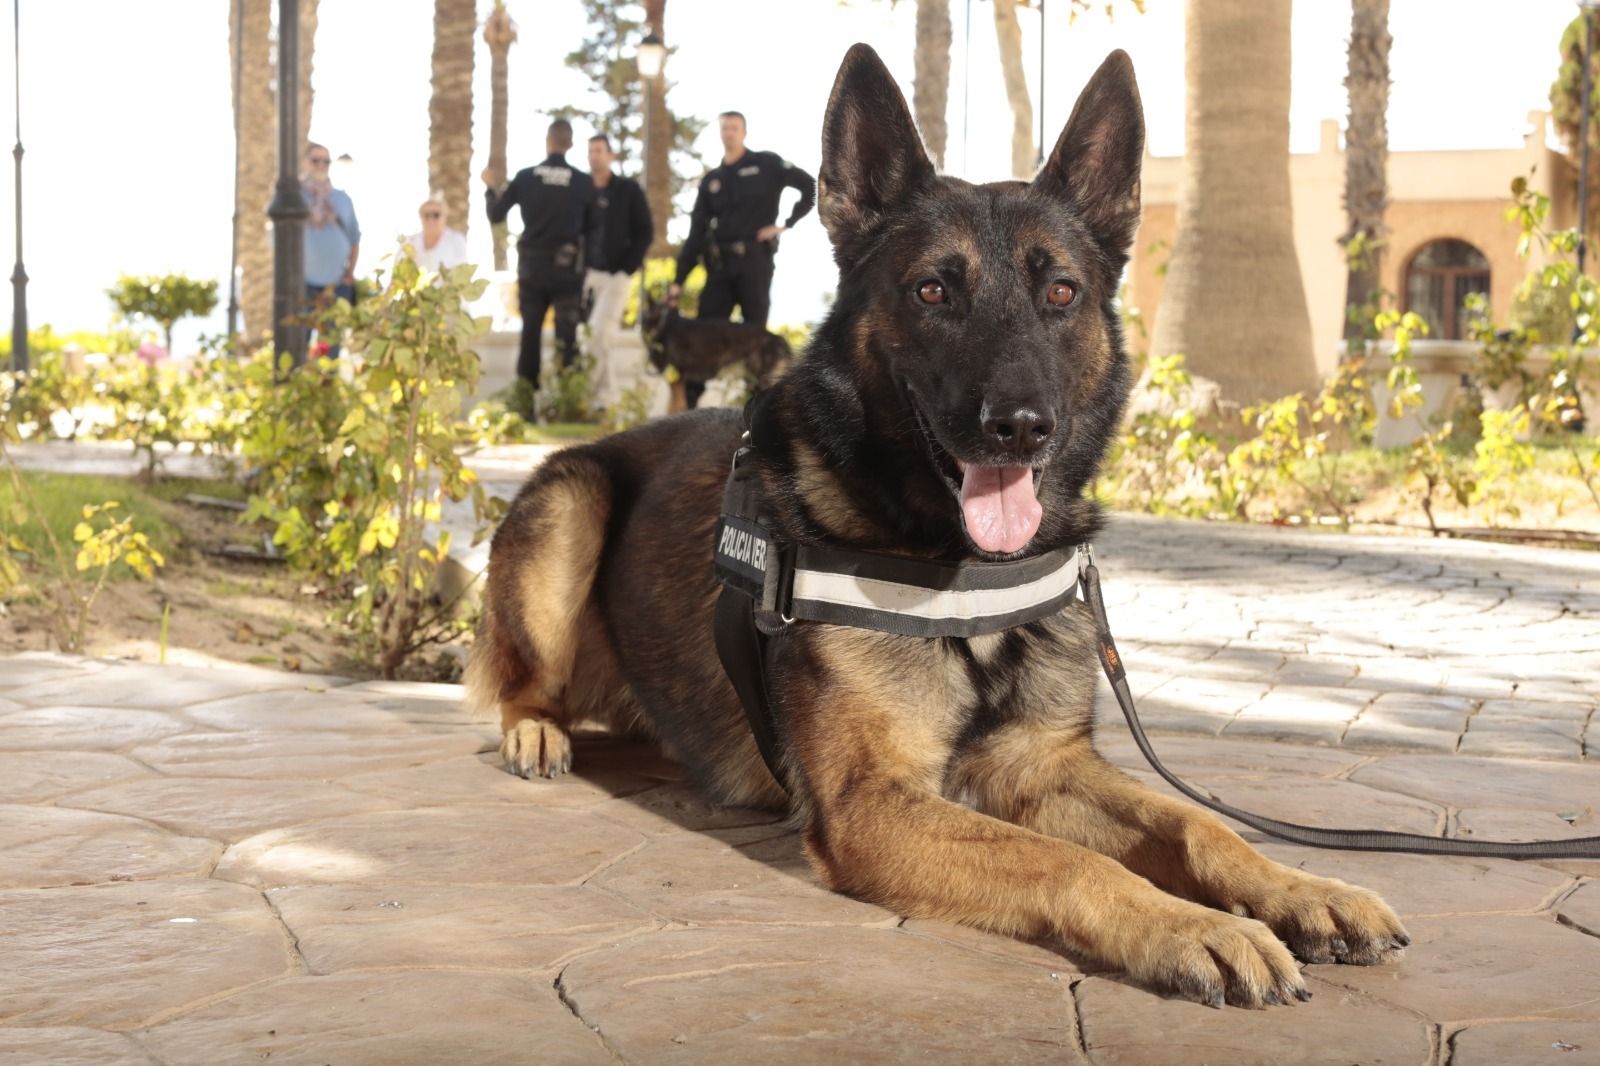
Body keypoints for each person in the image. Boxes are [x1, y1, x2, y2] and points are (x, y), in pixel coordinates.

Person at [670, 111, 815, 407]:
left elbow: (809, 187)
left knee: (755, 340)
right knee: (703, 339)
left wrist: (786, 224)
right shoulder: (713, 180)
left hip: (754, 263)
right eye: (724, 128)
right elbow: (696, 233)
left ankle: (756, 412)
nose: (729, 133)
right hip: (720, 267)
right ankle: (690, 409)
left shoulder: (767, 164)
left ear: (744, 132)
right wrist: (678, 280)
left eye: (734, 128)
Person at [483, 118, 596, 391]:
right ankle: (568, 397)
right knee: (567, 338)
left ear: (548, 141)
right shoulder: (583, 182)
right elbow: (594, 229)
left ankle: (526, 396)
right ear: (570, 144)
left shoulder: (526, 177)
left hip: (532, 268)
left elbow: (496, 214)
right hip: (568, 270)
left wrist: (489, 188)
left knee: (530, 334)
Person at [583, 134, 652, 406]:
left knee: (600, 333)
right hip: (587, 276)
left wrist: (626, 269)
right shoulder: (582, 188)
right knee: (593, 338)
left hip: (616, 276)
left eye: (599, 150)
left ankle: (593, 399)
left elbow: (645, 231)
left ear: (610, 155)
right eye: (590, 151)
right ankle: (605, 399)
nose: (594, 156)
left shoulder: (628, 190)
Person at [302, 142, 360, 358]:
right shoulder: (294, 197)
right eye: (315, 160)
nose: (321, 165)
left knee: (331, 350)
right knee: (297, 347)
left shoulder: (342, 199)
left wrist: (349, 274)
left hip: (336, 284)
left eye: (326, 161)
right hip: (302, 285)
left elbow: (354, 238)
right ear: (305, 163)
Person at [402, 195, 469, 273]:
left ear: (445, 217)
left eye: (436, 215)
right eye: (426, 215)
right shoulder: (409, 242)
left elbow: (461, 272)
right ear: (421, 218)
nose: (431, 219)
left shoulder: (456, 240)